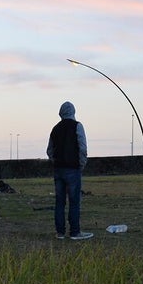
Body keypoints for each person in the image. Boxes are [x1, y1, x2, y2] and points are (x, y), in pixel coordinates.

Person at [47, 102, 92, 240]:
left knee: (59, 202)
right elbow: (82, 147)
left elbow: (49, 150)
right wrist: (81, 164)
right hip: (73, 169)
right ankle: (75, 232)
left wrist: (55, 162)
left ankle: (60, 232)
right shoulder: (77, 126)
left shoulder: (55, 129)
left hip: (58, 170)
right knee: (74, 201)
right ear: (73, 111)